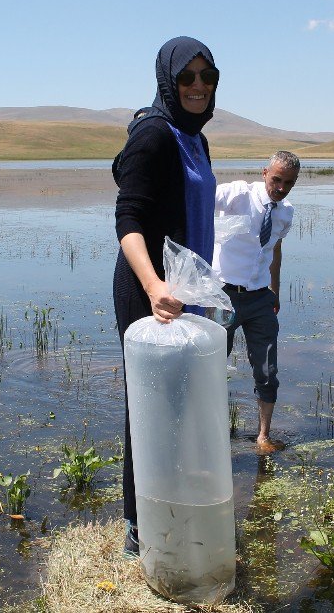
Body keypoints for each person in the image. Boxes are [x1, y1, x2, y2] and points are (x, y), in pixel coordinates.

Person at [112, 36, 220, 556]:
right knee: (149, 404)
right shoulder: (154, 134)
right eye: (187, 78)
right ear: (168, 82)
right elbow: (128, 220)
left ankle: (169, 499)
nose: (198, 86)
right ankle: (138, 524)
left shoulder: (196, 137)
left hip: (185, 293)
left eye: (207, 77)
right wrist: (155, 287)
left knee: (181, 405)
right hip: (147, 291)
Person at [212, 151, 300, 455]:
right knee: (210, 365)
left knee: (266, 370)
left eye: (288, 182)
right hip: (222, 295)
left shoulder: (286, 212)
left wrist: (275, 291)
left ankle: (263, 435)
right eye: (276, 179)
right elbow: (197, 198)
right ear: (264, 173)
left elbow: (274, 252)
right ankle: (208, 432)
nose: (280, 187)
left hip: (260, 297)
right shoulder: (237, 194)